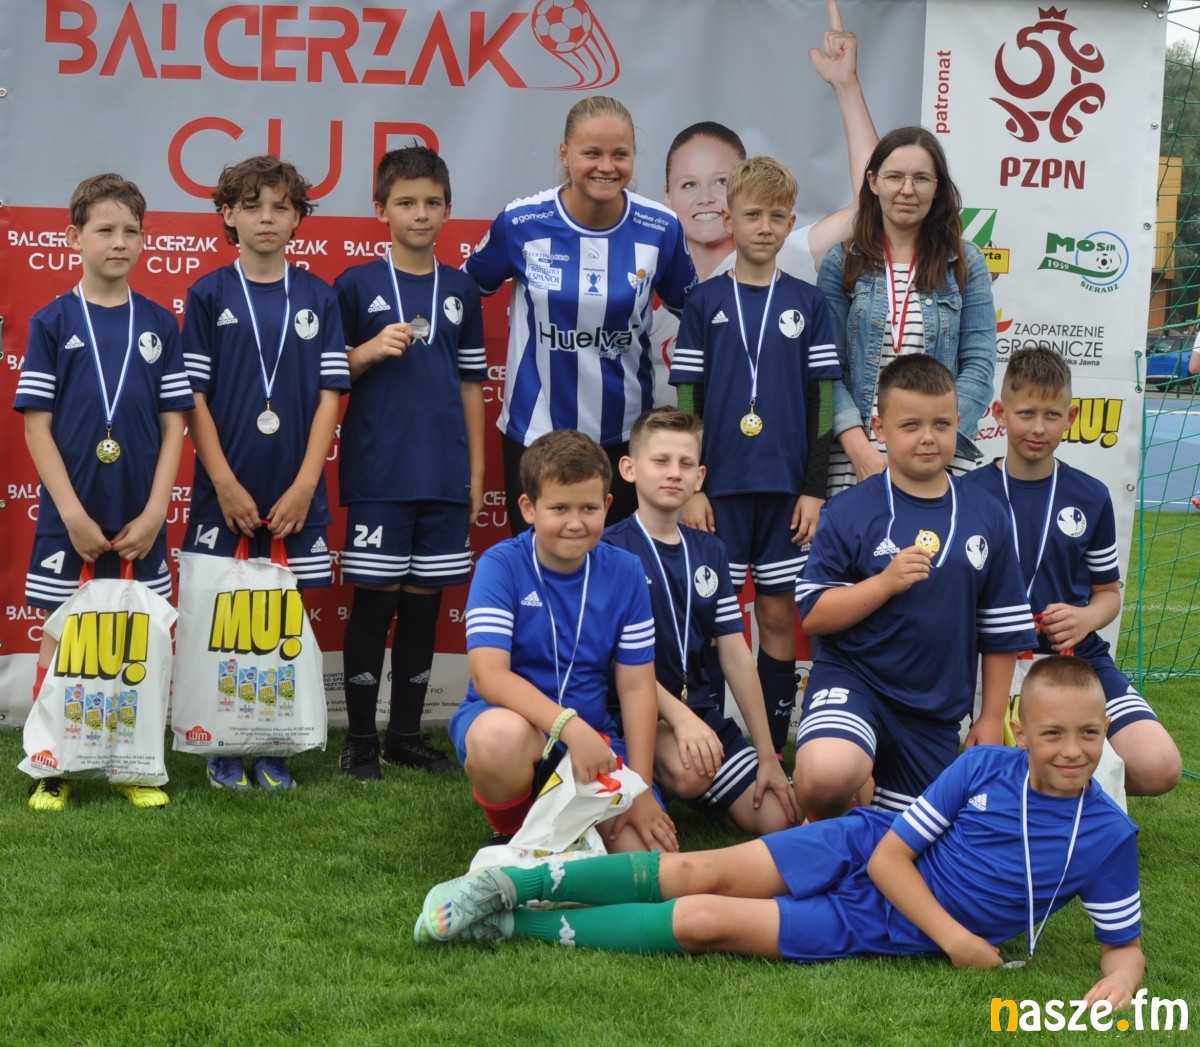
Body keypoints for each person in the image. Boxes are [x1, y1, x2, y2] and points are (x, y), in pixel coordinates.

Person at [415, 657, 1145, 1012]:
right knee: (700, 871)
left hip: (883, 924)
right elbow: (892, 855)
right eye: (1053, 732)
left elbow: (1125, 948)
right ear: (1022, 728)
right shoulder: (985, 766)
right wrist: (956, 940)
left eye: (1090, 733)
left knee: (702, 922)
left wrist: (1117, 983)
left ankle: (508, 925)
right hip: (864, 849)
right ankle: (512, 882)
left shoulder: (1109, 835)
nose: (1073, 750)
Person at [15, 173, 193, 810]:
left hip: (139, 516)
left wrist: (155, 511)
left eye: (131, 231)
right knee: (61, 636)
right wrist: (70, 514)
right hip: (71, 517)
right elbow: (36, 426)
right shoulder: (51, 321)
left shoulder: (160, 323)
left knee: (137, 639)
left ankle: (134, 763)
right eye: (105, 230)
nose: (120, 242)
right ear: (74, 238)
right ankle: (53, 764)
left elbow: (175, 425)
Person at [794, 355, 1035, 819]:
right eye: (910, 425)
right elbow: (814, 614)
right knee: (827, 775)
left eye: (941, 424)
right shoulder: (848, 510)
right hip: (856, 682)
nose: (928, 437)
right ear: (879, 429)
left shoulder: (987, 514)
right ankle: (824, 814)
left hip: (932, 713)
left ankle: (869, 791)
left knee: (919, 838)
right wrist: (884, 584)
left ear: (959, 423)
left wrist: (989, 717)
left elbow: (1001, 631)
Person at [182, 155, 350, 791]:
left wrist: (307, 483)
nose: (267, 218)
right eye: (252, 206)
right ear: (228, 214)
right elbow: (194, 398)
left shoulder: (319, 296)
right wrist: (224, 482)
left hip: (294, 490)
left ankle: (272, 746)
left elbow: (331, 396)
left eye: (282, 206)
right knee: (222, 623)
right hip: (223, 491)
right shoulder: (208, 294)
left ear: (299, 217)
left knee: (280, 627)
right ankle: (223, 745)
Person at [463, 95, 697, 532]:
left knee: (617, 566)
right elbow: (458, 297)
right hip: (536, 437)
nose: (606, 166)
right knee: (541, 567)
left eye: (619, 154)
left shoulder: (661, 228)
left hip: (625, 442)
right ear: (564, 153)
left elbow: (699, 319)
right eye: (592, 153)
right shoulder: (521, 223)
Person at [672, 156, 840, 755]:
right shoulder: (703, 302)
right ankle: (710, 741)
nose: (764, 227)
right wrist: (692, 486)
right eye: (752, 215)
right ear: (729, 220)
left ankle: (773, 740)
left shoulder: (808, 303)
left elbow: (824, 401)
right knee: (709, 616)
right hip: (717, 492)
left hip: (786, 491)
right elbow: (686, 398)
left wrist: (814, 489)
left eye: (776, 216)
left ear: (791, 223)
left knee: (775, 614)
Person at [960, 346, 1181, 796]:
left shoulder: (1091, 496)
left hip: (1074, 660)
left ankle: (1075, 799)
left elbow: (1108, 594)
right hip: (986, 661)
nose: (1038, 428)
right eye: (1026, 413)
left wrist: (1084, 618)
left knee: (1159, 766)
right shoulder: (967, 493)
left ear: (1071, 417)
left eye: (1052, 415)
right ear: (1000, 413)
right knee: (949, 766)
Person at [447, 429, 677, 852]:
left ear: (607, 505)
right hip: (525, 731)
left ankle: (573, 823)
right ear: (528, 508)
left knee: (646, 858)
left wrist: (641, 790)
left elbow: (636, 686)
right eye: (559, 508)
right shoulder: (501, 565)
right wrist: (571, 728)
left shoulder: (626, 572)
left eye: (589, 508)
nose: (575, 523)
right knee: (498, 739)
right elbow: (489, 676)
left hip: (594, 740)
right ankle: (517, 832)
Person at [333, 146, 485, 781]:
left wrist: (476, 473)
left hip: (443, 476)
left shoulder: (461, 289)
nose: (420, 214)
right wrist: (368, 350)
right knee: (375, 606)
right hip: (380, 475)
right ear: (381, 211)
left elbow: (472, 386)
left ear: (447, 209)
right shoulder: (355, 285)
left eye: (431, 203)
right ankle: (360, 740)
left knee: (424, 609)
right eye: (406, 203)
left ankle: (405, 736)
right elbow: (327, 376)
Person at [651, 0, 878, 406]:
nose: (705, 197)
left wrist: (847, 87)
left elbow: (870, 204)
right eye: (688, 184)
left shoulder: (784, 254)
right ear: (666, 195)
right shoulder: (644, 274)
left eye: (721, 181)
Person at [603, 408, 797, 834]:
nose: (674, 473)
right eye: (661, 461)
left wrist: (767, 755)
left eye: (686, 463)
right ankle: (661, 778)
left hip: (699, 711)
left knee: (781, 817)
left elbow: (735, 655)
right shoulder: (608, 551)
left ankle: (704, 787)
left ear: (700, 477)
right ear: (629, 469)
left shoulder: (711, 550)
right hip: (630, 715)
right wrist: (679, 718)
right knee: (692, 769)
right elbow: (613, 661)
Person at [817, 126, 996, 496]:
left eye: (921, 178)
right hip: (858, 460)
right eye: (895, 176)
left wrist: (939, 440)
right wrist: (860, 451)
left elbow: (979, 366)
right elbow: (826, 371)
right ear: (873, 182)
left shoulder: (965, 262)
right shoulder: (841, 262)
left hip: (939, 457)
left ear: (938, 187)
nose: (907, 189)